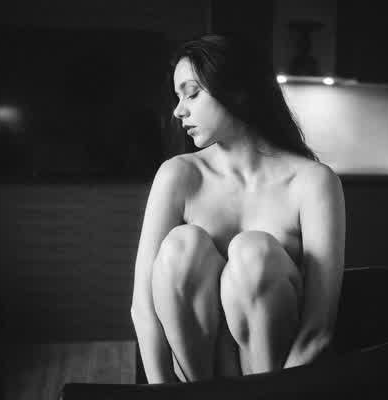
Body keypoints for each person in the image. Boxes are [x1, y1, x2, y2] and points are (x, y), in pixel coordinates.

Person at [130, 33, 345, 384]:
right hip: (195, 385)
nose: (178, 110)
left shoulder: (313, 182)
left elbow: (317, 330)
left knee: (253, 252)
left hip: (275, 382)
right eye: (177, 96)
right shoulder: (179, 175)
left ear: (238, 91)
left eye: (192, 93)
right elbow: (143, 308)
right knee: (182, 246)